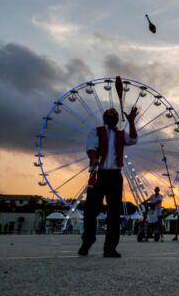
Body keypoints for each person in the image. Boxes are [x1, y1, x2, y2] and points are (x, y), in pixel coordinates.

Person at [78, 107, 138, 258]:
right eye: (110, 113)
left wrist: (131, 122)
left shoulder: (120, 134)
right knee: (90, 210)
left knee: (114, 213)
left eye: (115, 114)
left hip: (115, 175)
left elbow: (133, 139)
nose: (113, 115)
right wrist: (94, 158)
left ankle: (110, 248)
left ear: (118, 119)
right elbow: (90, 147)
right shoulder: (95, 131)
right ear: (104, 118)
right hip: (99, 173)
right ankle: (88, 240)